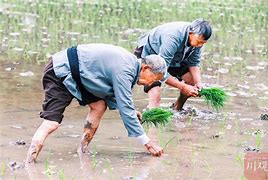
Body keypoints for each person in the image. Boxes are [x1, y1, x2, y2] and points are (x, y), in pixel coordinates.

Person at [26, 43, 167, 163]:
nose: (151, 83)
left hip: (80, 74)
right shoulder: (125, 70)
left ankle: (82, 149)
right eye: (154, 78)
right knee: (51, 123)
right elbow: (125, 108)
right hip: (61, 68)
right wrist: (148, 144)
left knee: (99, 106)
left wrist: (130, 110)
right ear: (146, 68)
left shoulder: (130, 67)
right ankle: (29, 163)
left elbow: (117, 97)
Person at [134, 18, 212, 110]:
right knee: (155, 97)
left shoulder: (197, 39)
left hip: (175, 57)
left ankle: (177, 108)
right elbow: (162, 71)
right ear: (191, 33)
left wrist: (198, 83)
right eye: (199, 42)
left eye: (203, 43)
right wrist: (182, 87)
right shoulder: (172, 37)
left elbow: (194, 62)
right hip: (151, 54)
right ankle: (149, 117)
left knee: (191, 81)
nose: (200, 45)